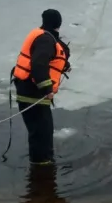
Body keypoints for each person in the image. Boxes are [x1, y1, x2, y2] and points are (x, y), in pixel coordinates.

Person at [12, 9, 71, 165]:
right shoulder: (46, 40)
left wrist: (64, 66)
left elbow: (51, 57)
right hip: (33, 95)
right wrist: (47, 89)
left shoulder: (44, 36)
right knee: (41, 134)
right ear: (59, 23)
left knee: (40, 133)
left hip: (29, 93)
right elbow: (38, 65)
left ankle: (40, 169)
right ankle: (42, 171)